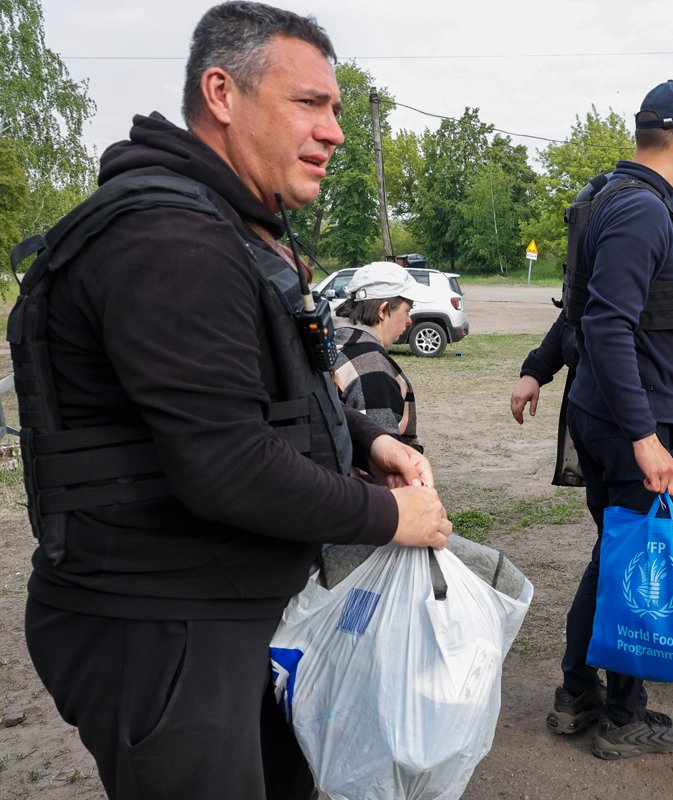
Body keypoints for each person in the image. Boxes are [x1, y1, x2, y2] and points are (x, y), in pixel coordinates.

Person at [17, 4, 452, 799]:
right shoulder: (168, 241)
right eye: (309, 103)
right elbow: (224, 463)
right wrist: (392, 519)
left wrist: (363, 439)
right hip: (158, 624)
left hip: (225, 607)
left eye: (337, 110)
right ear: (222, 92)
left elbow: (250, 394)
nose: (335, 131)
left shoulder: (225, 227)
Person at [543, 80, 673, 761]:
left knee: (615, 555)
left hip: (601, 410)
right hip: (632, 420)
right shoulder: (642, 212)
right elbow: (606, 324)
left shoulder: (611, 197)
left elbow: (612, 308)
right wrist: (646, 440)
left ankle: (578, 693)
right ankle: (623, 717)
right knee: (641, 562)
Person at [333, 261, 437, 449]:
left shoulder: (334, 341)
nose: (408, 320)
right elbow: (384, 463)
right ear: (383, 310)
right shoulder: (372, 369)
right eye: (407, 310)